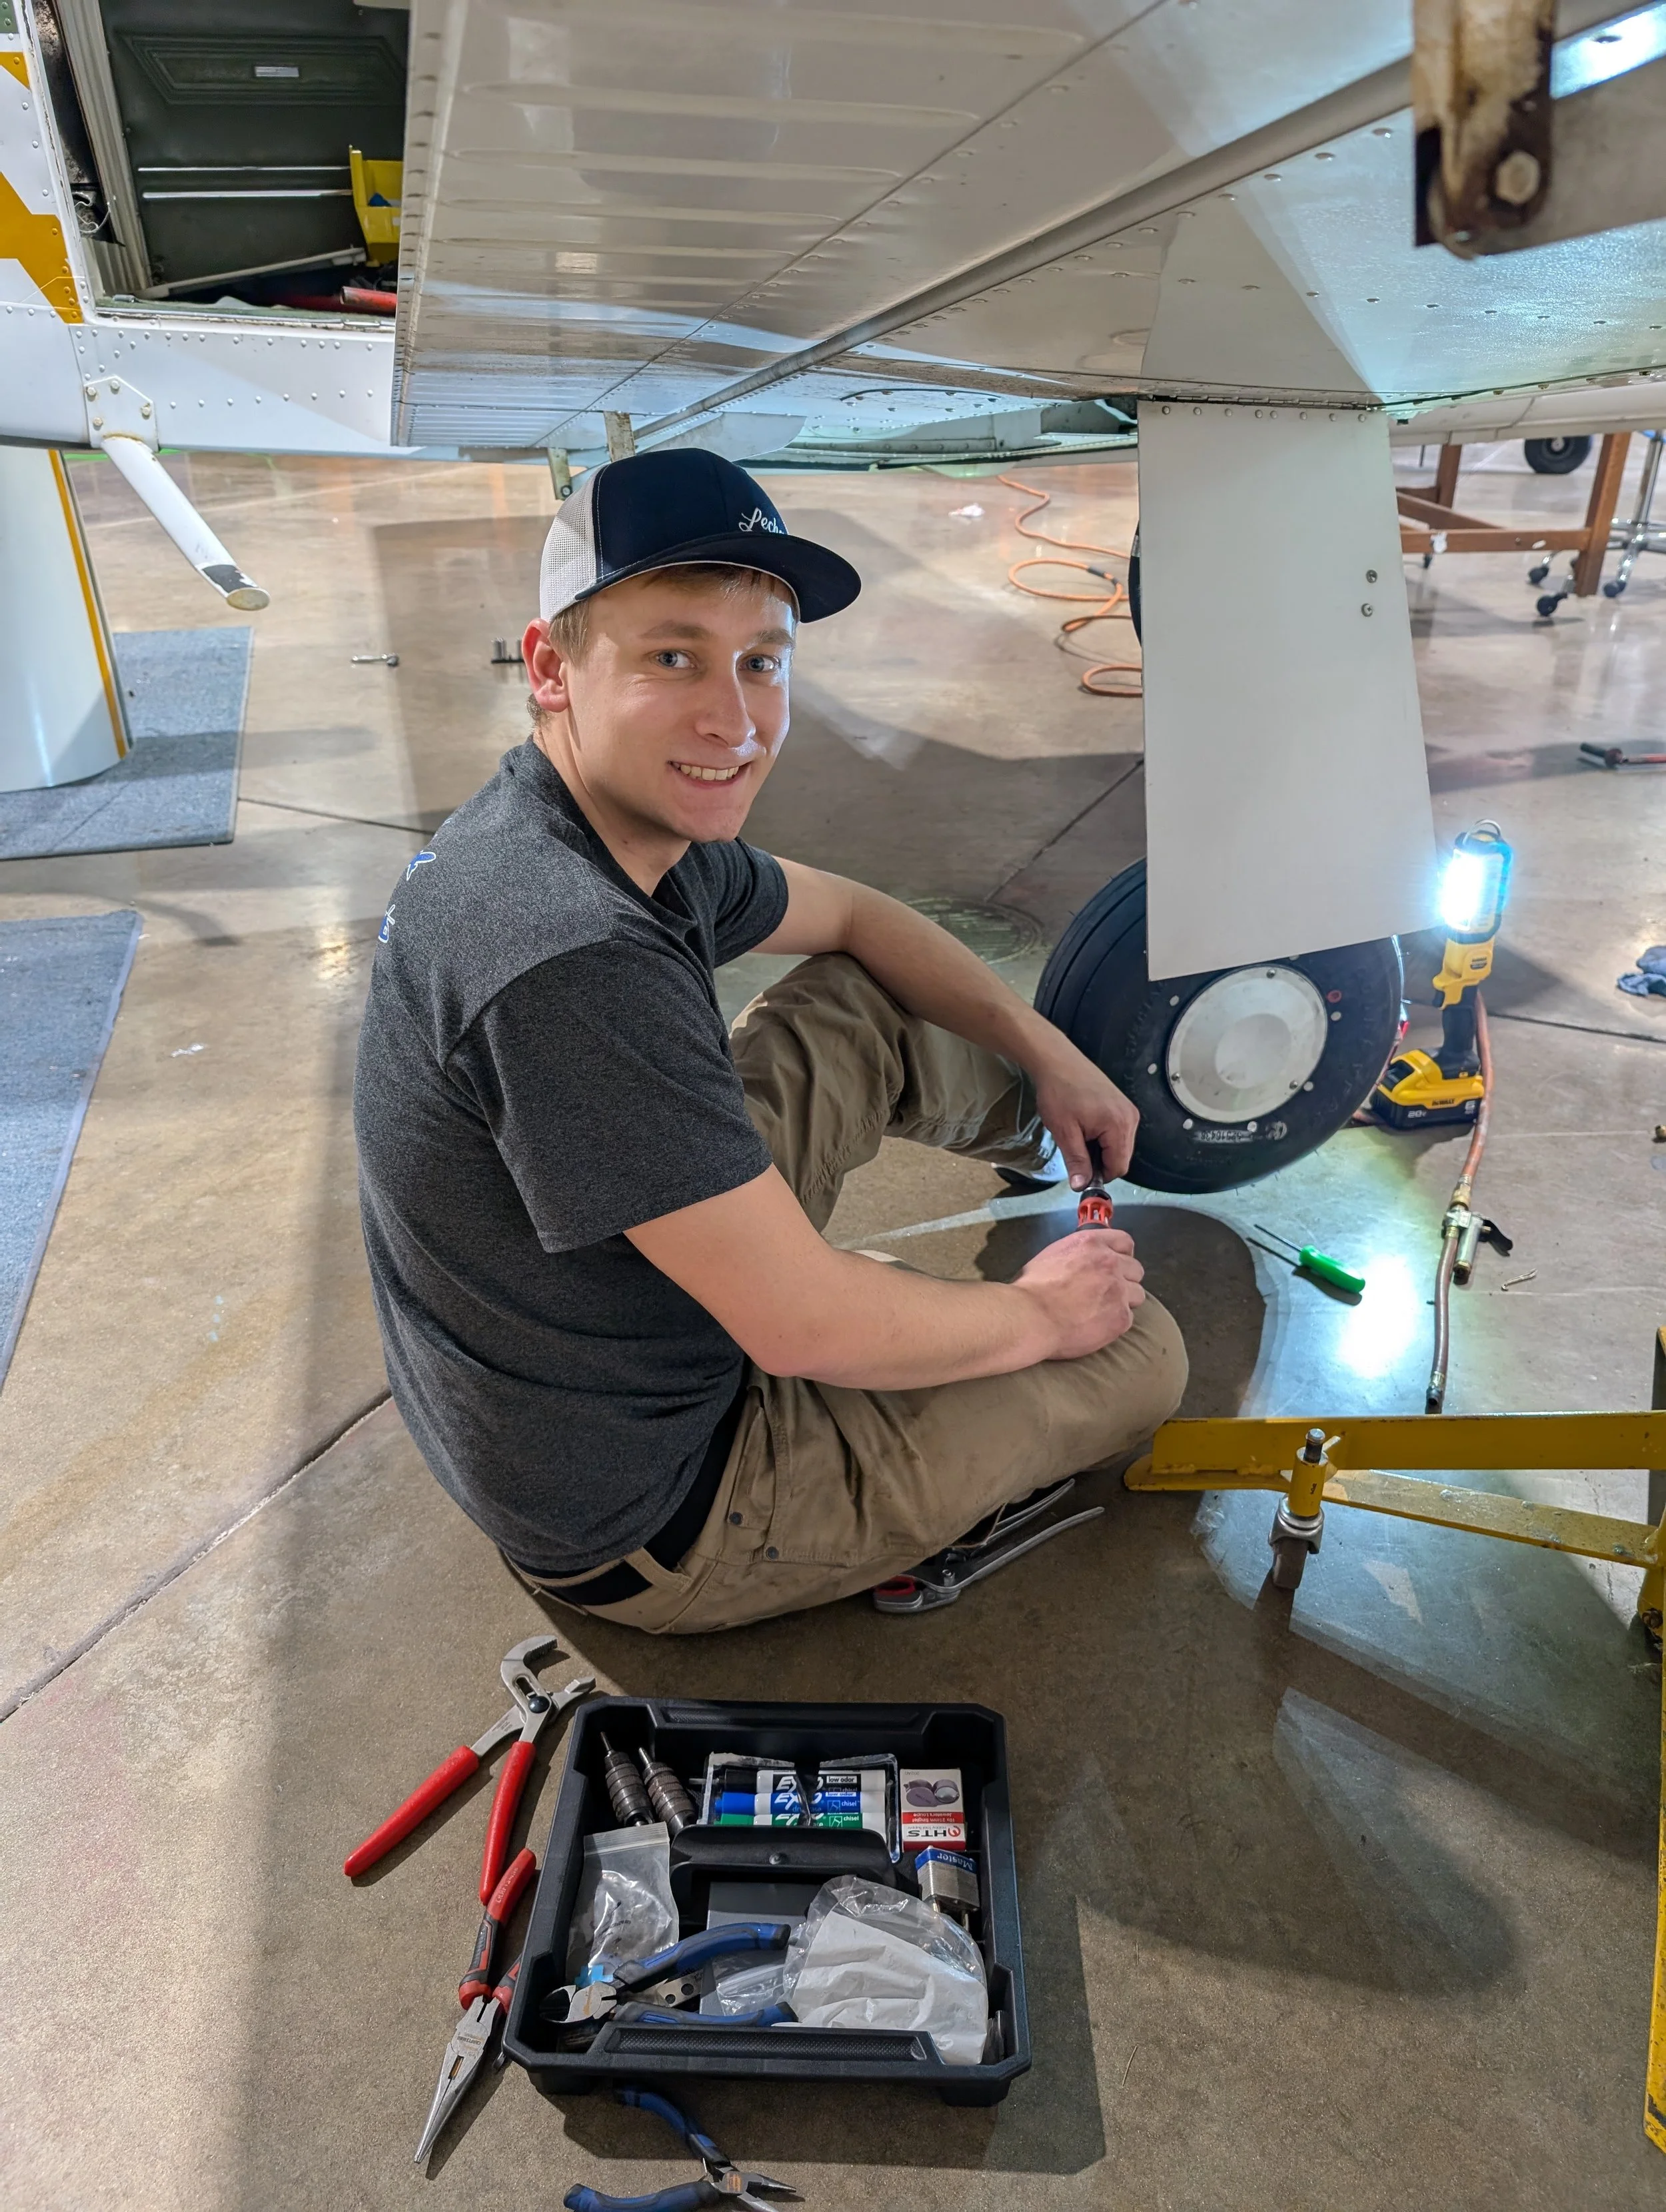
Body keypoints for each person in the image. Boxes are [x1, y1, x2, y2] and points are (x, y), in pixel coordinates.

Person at [354, 448, 1186, 1634]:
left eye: (762, 663)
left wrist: (1049, 1052)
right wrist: (1044, 1318)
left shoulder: (593, 824)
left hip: (583, 1348)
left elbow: (855, 916)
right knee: (1136, 1359)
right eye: (672, 658)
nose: (734, 721)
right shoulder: (566, 955)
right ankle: (920, 1377)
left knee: (858, 994)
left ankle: (1058, 1149)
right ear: (552, 667)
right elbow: (804, 1328)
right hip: (660, 1513)